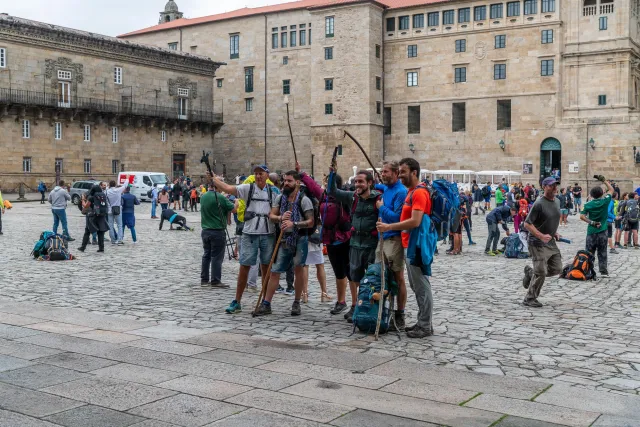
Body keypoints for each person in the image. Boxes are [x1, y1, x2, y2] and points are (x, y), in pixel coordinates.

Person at [376, 158, 435, 338]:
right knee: (416, 285)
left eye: (403, 171)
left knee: (421, 286)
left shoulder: (418, 194)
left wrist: (389, 227)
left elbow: (415, 221)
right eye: (399, 172)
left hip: (416, 244)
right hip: (410, 243)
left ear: (414, 172)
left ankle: (425, 326)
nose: (400, 175)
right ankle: (422, 322)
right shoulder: (411, 192)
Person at [211, 165, 278, 315]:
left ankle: (265, 302)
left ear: (267, 175)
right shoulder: (248, 188)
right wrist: (214, 179)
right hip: (250, 233)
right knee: (244, 267)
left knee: (266, 268)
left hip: (268, 233)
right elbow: (228, 189)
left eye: (260, 173)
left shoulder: (274, 191)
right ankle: (237, 301)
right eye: (256, 174)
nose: (258, 176)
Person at [254, 171, 314, 317]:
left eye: (289, 181)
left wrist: (295, 224)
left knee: (298, 270)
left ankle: (296, 302)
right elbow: (271, 215)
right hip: (283, 240)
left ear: (297, 183)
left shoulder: (304, 200)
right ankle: (266, 303)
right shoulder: (281, 198)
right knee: (275, 271)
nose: (286, 183)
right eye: (285, 180)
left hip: (300, 239)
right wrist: (281, 217)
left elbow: (311, 221)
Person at [329, 169, 382, 323]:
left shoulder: (378, 198)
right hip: (355, 245)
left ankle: (373, 309)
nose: (357, 185)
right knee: (355, 278)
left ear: (370, 183)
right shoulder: (353, 197)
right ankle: (358, 305)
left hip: (371, 245)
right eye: (356, 182)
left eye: (361, 182)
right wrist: (332, 173)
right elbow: (332, 191)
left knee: (372, 279)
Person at [298, 165, 347, 306]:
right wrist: (302, 174)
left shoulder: (343, 196)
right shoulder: (323, 196)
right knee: (332, 269)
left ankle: (340, 299)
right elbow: (314, 187)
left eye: (327, 181)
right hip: (325, 236)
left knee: (344, 271)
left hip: (339, 237)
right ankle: (327, 296)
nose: (324, 184)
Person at [374, 161, 409, 328]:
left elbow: (398, 219)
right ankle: (381, 310)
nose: (383, 174)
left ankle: (400, 313)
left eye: (386, 172)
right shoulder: (386, 188)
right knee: (380, 275)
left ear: (396, 173)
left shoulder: (401, 192)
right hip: (382, 238)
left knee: (398, 277)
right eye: (382, 171)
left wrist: (381, 208)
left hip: (394, 239)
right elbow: (377, 184)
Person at [522, 177, 562, 307]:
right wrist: (540, 235)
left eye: (555, 185)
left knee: (557, 269)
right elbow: (527, 224)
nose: (554, 188)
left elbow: (550, 219)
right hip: (536, 242)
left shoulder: (557, 201)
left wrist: (554, 231)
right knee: (541, 272)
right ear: (544, 187)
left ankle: (530, 273)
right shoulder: (539, 203)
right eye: (551, 186)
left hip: (550, 242)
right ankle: (529, 298)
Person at [200, 181, 236, 287]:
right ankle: (215, 280)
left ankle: (204, 279)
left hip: (205, 230)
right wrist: (237, 202)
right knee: (216, 257)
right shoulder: (220, 197)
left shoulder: (203, 196)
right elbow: (234, 209)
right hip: (217, 230)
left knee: (206, 255)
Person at [579, 178, 614, 276]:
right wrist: (605, 181)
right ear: (602, 194)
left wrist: (591, 222)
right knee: (602, 251)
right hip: (603, 230)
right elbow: (611, 190)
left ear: (592, 194)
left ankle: (588, 270)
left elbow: (582, 216)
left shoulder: (588, 204)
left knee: (589, 251)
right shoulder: (605, 201)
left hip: (591, 231)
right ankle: (603, 272)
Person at [77, 185, 109, 253]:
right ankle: (101, 248)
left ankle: (83, 247)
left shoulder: (92, 197)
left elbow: (85, 206)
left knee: (87, 231)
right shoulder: (103, 195)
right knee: (101, 232)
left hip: (93, 216)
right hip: (101, 215)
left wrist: (83, 199)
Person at [106, 177, 129, 246]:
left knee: (110, 225)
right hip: (118, 209)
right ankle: (119, 240)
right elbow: (125, 185)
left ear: (109, 185)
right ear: (115, 185)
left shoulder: (107, 191)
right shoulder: (118, 190)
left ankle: (113, 240)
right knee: (119, 225)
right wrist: (127, 178)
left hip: (110, 210)